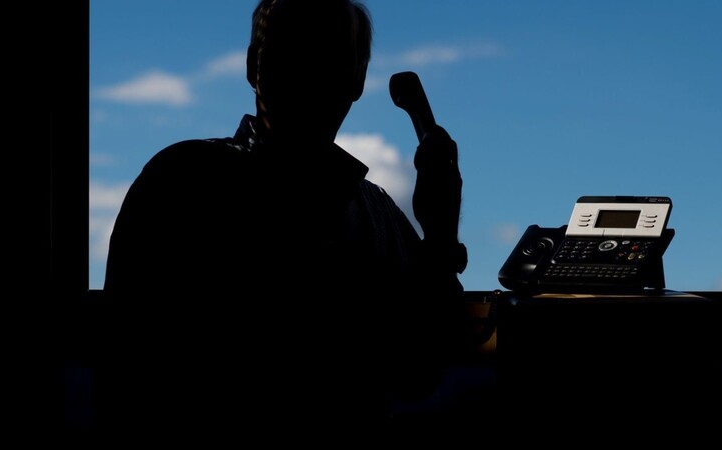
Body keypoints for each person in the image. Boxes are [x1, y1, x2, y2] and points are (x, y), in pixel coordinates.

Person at [101, 0, 468, 437]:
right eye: (293, 47)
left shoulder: (378, 212)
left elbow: (418, 371)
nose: (310, 67)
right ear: (255, 66)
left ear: (357, 79)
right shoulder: (182, 182)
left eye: (330, 52)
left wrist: (441, 235)